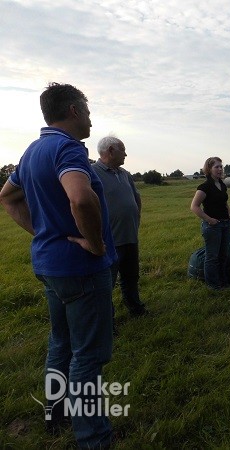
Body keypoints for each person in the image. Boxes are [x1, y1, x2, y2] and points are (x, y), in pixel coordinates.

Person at [0, 83, 116, 447]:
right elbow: (81, 199)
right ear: (73, 111)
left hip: (50, 267)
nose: (91, 117)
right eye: (87, 109)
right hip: (80, 268)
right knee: (87, 357)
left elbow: (7, 197)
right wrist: (95, 245)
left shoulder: (33, 151)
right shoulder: (67, 148)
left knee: (60, 343)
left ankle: (56, 413)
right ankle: (93, 438)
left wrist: (42, 231)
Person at [92, 136, 147, 317]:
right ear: (110, 151)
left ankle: (135, 307)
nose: (125, 154)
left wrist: (136, 216)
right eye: (122, 149)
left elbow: (136, 197)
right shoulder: (92, 173)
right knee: (106, 283)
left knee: (131, 276)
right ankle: (107, 320)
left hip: (130, 236)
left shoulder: (124, 173)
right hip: (110, 240)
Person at [190, 157, 230, 290]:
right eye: (216, 167)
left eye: (221, 166)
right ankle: (213, 285)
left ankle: (223, 281)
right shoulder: (204, 187)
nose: (220, 169)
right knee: (212, 257)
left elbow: (224, 202)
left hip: (226, 224)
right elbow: (194, 206)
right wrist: (209, 220)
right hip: (213, 226)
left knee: (223, 255)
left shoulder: (222, 185)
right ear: (209, 169)